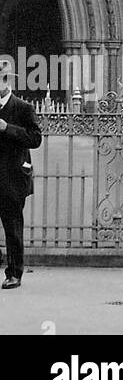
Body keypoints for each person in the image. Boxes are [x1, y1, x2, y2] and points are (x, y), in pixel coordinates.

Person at [0, 67, 41, 289]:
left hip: (12, 178)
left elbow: (35, 139)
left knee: (13, 229)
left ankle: (14, 273)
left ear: (6, 82)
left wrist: (8, 128)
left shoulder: (23, 108)